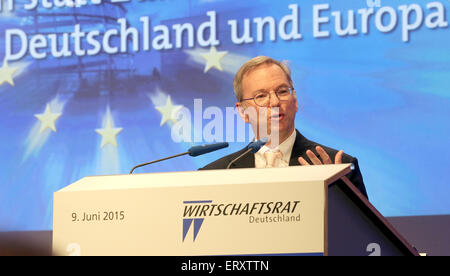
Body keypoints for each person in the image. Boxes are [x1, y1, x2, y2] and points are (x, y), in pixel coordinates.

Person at [200, 56, 368, 199]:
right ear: (243, 112)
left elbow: (362, 236)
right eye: (261, 96)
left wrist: (337, 196)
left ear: (295, 101)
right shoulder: (215, 176)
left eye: (282, 91)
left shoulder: (339, 168)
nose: (274, 102)